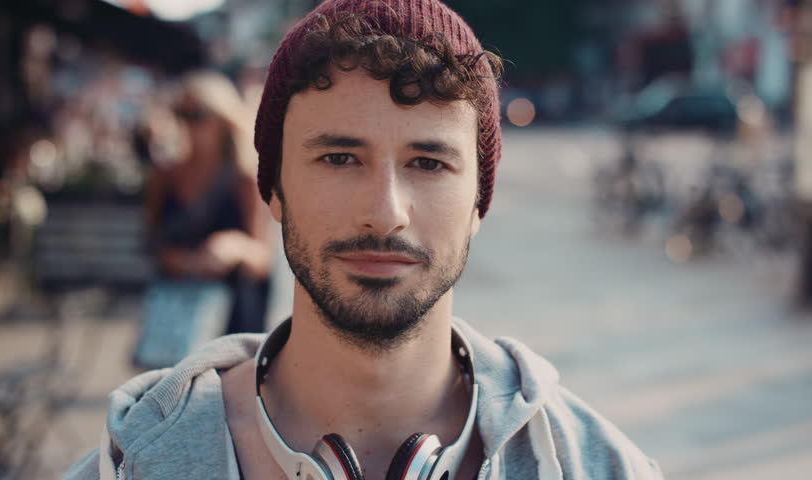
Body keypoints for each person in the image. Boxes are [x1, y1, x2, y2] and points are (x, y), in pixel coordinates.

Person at [66, 1, 663, 478]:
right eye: (339, 157)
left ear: (480, 202)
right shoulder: (132, 467)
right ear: (272, 187)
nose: (384, 214)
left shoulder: (603, 467)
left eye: (428, 163)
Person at [133, 71, 273, 369]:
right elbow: (151, 242)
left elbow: (263, 259)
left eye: (197, 114)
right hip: (176, 312)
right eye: (180, 113)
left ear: (223, 118)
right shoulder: (165, 175)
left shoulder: (244, 179)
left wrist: (234, 247)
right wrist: (186, 261)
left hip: (232, 312)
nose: (187, 124)